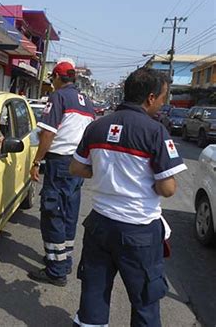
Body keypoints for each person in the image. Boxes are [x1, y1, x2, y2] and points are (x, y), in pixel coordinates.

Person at [69, 68, 187, 326]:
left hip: (99, 224)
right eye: (163, 97)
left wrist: (104, 172)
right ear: (150, 97)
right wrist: (146, 184)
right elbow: (168, 188)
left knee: (94, 292)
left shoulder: (96, 127)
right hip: (139, 231)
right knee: (145, 299)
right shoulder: (155, 132)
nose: (163, 103)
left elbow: (76, 168)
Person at [28, 61, 95, 286]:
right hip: (78, 164)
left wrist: (37, 161)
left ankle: (56, 271)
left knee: (53, 212)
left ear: (57, 77)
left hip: (60, 163)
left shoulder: (58, 97)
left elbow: (47, 134)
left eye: (52, 79)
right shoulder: (87, 102)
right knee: (68, 213)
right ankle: (63, 260)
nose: (52, 83)